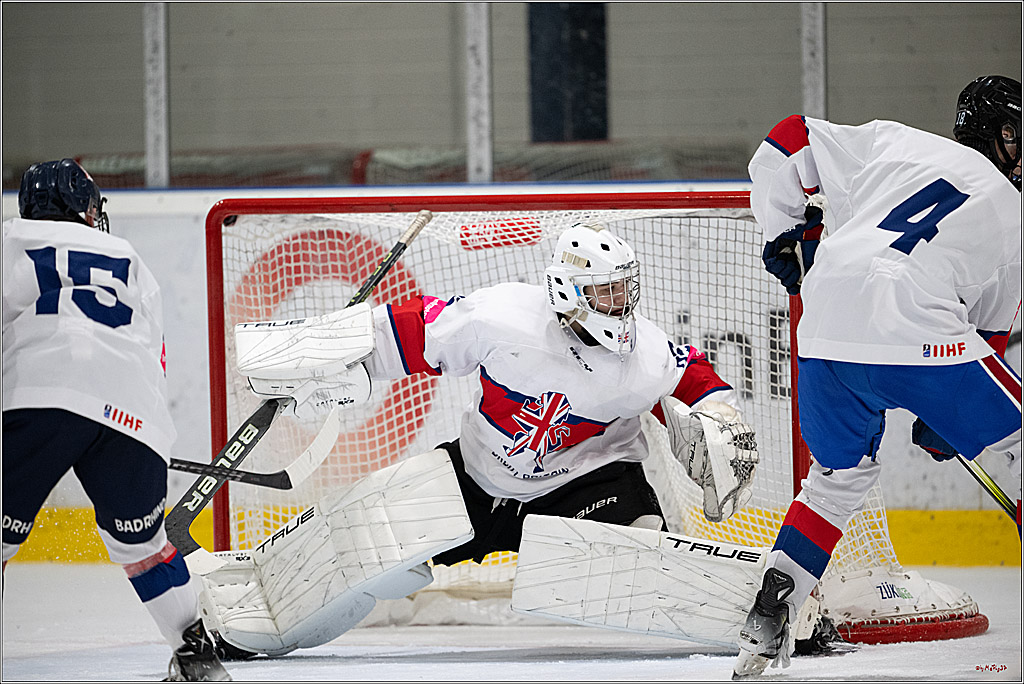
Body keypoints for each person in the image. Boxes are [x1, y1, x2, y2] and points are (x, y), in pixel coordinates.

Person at [202, 221, 762, 657]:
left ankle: (773, 609)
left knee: (641, 553)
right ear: (567, 291)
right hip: (475, 481)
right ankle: (243, 617)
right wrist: (331, 356)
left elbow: (695, 383)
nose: (621, 304)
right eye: (605, 292)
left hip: (585, 490)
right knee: (364, 543)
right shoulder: (504, 317)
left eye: (623, 289)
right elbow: (411, 332)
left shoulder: (644, 355)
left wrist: (718, 422)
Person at [732, 76, 1022, 679]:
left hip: (821, 330)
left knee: (833, 484)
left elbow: (784, 141)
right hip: (916, 329)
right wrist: (941, 426)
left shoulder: (894, 142)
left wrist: (785, 233)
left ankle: (768, 621)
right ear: (1005, 133)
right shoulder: (1016, 215)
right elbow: (988, 340)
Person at [2, 159, 231, 682]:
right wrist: (136, 428)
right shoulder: (127, 255)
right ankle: (196, 654)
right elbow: (154, 357)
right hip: (135, 410)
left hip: (40, 390)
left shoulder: (11, 240)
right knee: (144, 546)